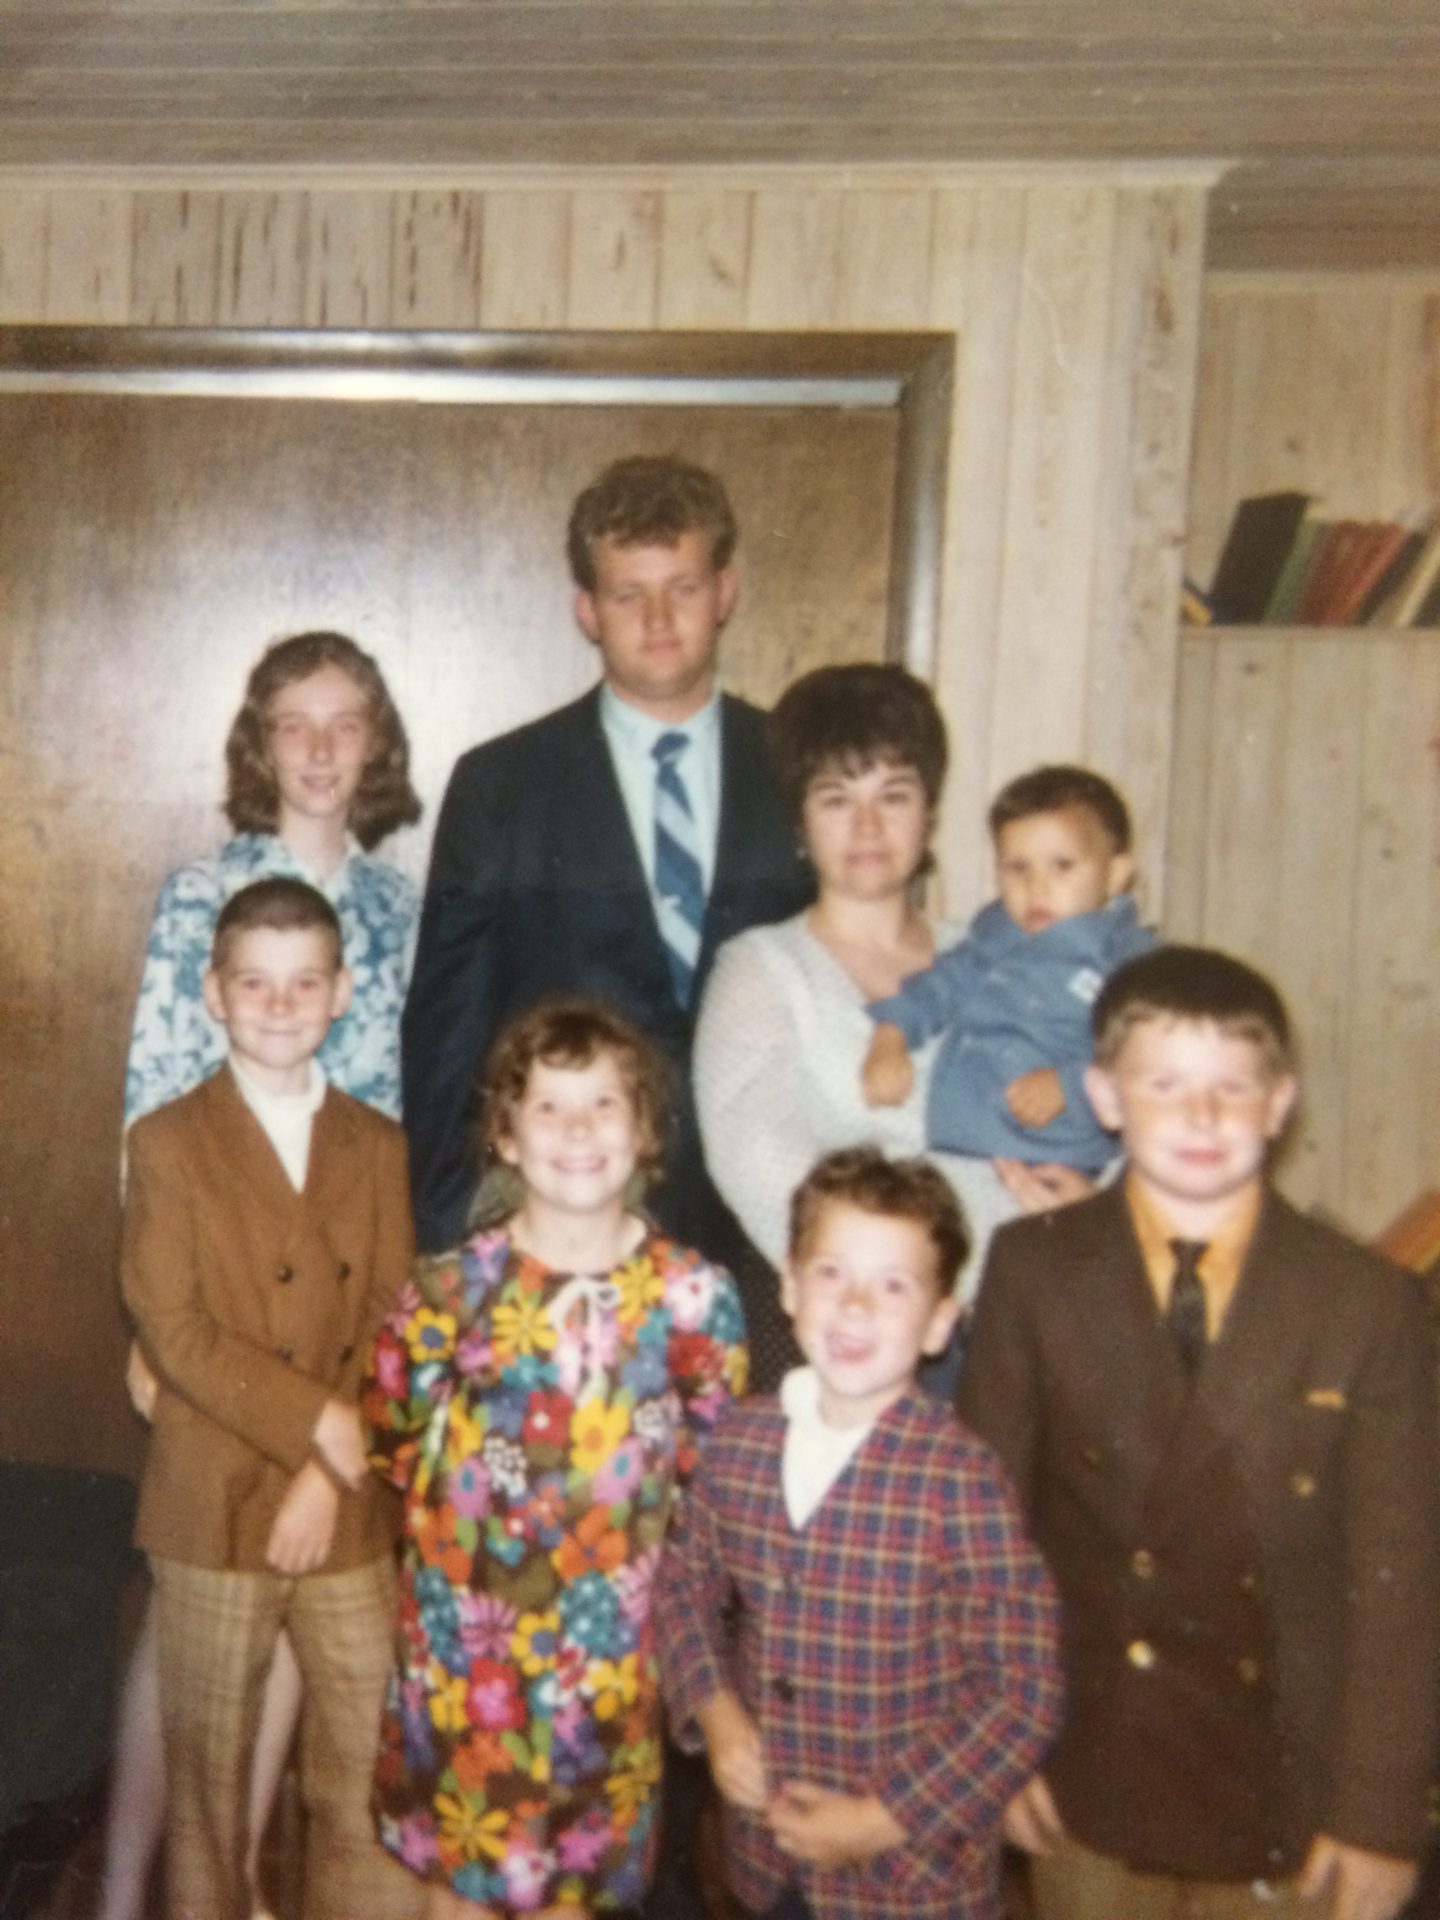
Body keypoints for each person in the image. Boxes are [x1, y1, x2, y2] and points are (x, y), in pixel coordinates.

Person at [958, 945, 1440, 1920]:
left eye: (1234, 1087)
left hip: (1290, 1796)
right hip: (1088, 1768)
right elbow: (982, 1539)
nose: (1203, 1116)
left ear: (1280, 1102)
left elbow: (1402, 1585)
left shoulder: (1365, 1304)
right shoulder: (1033, 1269)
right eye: (1166, 1084)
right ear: (1103, 1095)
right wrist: (990, 1754)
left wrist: (1380, 1818)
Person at [103, 629, 422, 1920]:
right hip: (220, 1272)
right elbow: (153, 1087)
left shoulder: (400, 902)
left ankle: (254, 1877)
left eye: (349, 722)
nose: (324, 747)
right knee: (206, 1611)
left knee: (325, 1623)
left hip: (349, 1248)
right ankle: (146, 1886)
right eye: (297, 722)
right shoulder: (201, 894)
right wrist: (151, 1309)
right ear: (261, 741)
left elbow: (407, 1088)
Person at [363, 998, 747, 1919]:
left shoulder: (694, 1298)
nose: (578, 1130)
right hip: (468, 1659)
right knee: (461, 1886)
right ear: (503, 1134)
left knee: (579, 1889)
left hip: (609, 1661)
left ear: (647, 1128)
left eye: (605, 1105)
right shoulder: (451, 1293)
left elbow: (714, 1467)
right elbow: (393, 1432)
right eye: (548, 1107)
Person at [401, 453, 811, 1267]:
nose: (659, 619)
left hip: (776, 1230)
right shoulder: (502, 785)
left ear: (725, 592)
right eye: (630, 594)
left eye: (684, 588)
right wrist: (459, 1240)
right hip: (568, 1220)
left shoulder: (802, 770)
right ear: (588, 609)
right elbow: (447, 1037)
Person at [654, 1146, 1064, 1920]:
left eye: (894, 1285)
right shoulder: (740, 1439)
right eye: (832, 1273)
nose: (855, 1307)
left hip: (911, 1880)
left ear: (942, 1322)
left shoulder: (961, 1480)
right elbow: (684, 1584)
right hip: (766, 1865)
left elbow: (1021, 1688)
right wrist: (715, 1709)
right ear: (788, 1284)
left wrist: (884, 1819)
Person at [696, 663, 1048, 1377]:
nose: (866, 825)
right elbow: (761, 1166)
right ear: (799, 822)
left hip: (1016, 1318)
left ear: (930, 814)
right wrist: (924, 1274)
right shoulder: (761, 969)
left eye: (894, 795)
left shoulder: (993, 956)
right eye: (835, 799)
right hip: (851, 1337)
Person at [863, 763, 1156, 1175]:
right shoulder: (996, 931)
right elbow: (941, 983)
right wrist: (890, 1034)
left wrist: (1071, 1085)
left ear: (1116, 874)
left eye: (1062, 866)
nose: (1037, 888)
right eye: (1017, 868)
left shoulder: (1130, 958)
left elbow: (1151, 1055)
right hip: (959, 1142)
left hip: (1059, 1156)